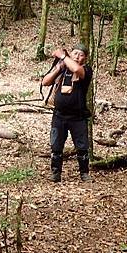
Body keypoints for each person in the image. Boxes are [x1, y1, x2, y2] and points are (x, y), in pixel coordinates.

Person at [41, 43, 93, 182]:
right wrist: (58, 68)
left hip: (78, 117)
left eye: (81, 55)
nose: (77, 57)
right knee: (56, 146)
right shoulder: (63, 69)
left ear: (85, 58)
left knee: (82, 147)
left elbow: (76, 68)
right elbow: (45, 82)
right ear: (71, 53)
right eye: (75, 53)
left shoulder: (86, 70)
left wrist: (63, 56)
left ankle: (84, 173)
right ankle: (56, 173)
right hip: (59, 116)